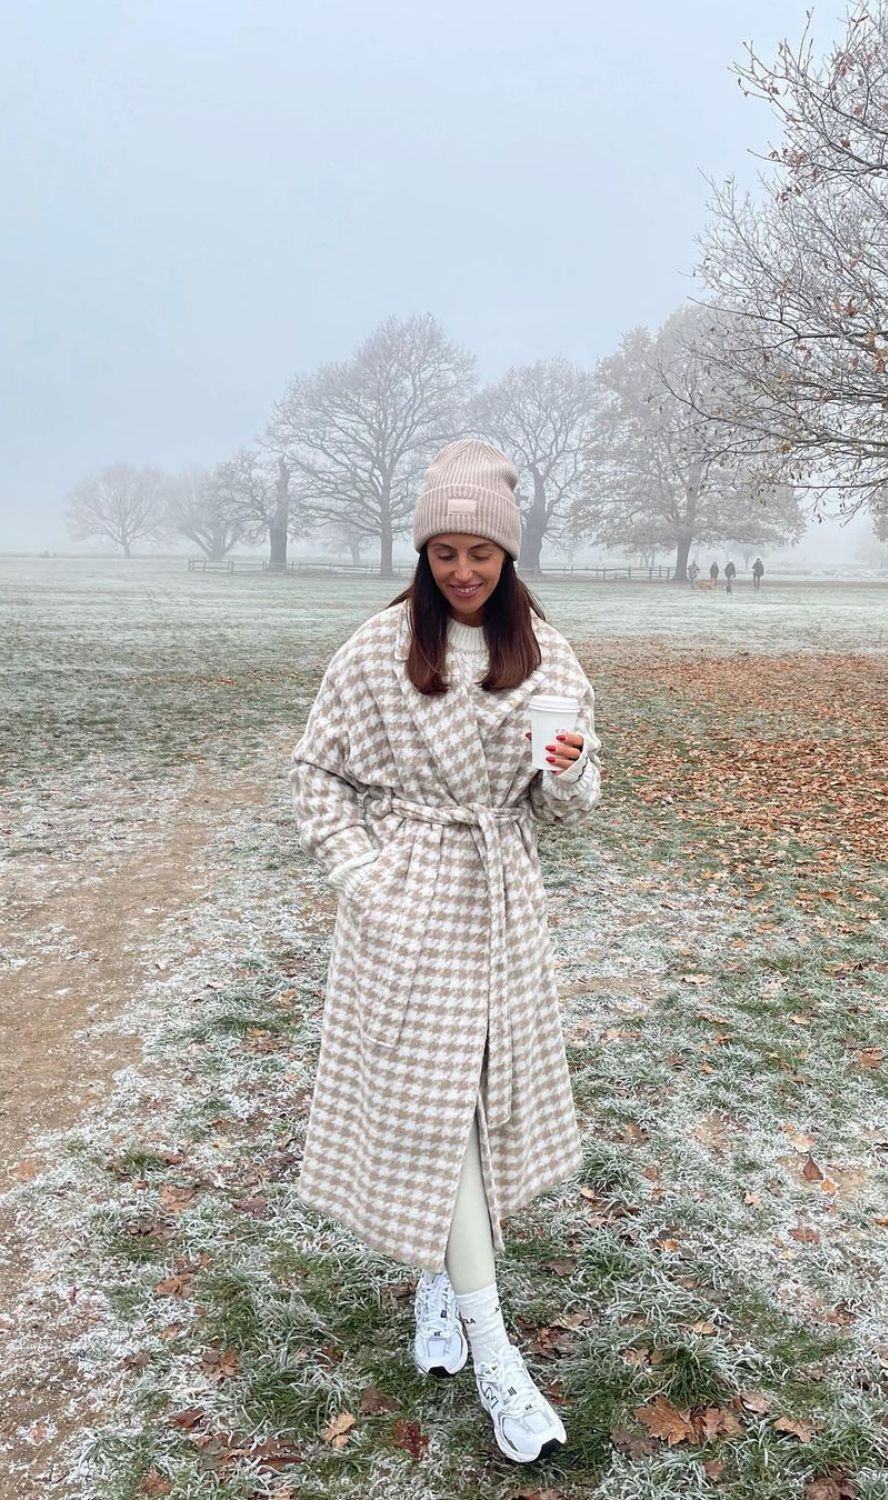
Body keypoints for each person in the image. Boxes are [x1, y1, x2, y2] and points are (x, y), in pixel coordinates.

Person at [288, 438, 602, 1464]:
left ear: (510, 559)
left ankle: (438, 1281)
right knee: (437, 1116)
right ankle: (495, 1350)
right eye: (443, 553)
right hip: (406, 905)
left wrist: (564, 770)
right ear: (421, 557)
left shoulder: (546, 657)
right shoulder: (379, 650)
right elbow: (317, 777)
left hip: (501, 903)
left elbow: (573, 808)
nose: (462, 571)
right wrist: (367, 878)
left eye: (481, 553)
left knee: (473, 1106)